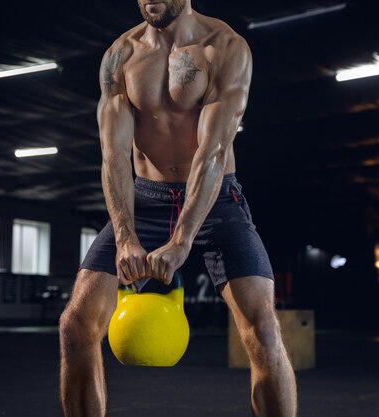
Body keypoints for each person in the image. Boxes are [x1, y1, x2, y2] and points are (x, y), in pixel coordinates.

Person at [59, 1, 297, 416]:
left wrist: (183, 240)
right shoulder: (121, 54)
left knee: (262, 329)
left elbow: (214, 152)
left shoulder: (223, 47)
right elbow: (113, 157)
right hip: (146, 200)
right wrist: (125, 236)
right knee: (75, 326)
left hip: (215, 199)